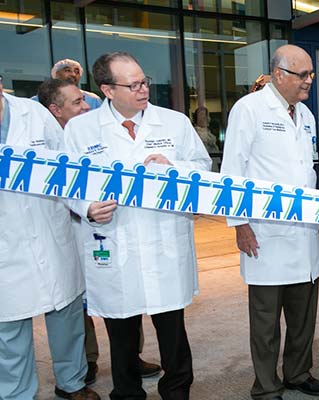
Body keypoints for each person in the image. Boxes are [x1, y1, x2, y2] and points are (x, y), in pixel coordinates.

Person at [63, 51, 211, 399]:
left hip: (164, 242)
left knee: (173, 333)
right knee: (122, 333)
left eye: (144, 81)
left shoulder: (173, 122)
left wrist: (172, 165)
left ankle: (177, 391)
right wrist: (86, 208)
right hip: (114, 243)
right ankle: (127, 393)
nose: (143, 90)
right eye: (133, 85)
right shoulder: (81, 129)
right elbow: (67, 183)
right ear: (107, 90)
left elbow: (203, 169)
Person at [221, 44, 319, 398]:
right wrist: (239, 223)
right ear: (280, 74)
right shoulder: (249, 110)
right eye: (303, 75)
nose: (310, 81)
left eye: (311, 74)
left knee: (303, 316)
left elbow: (308, 170)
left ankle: (299, 372)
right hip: (264, 235)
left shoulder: (307, 116)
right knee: (266, 321)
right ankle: (266, 387)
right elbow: (232, 170)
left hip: (303, 234)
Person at [36, 78, 163, 386]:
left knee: (121, 293)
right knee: (75, 301)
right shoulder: (46, 140)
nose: (86, 106)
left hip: (103, 228)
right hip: (64, 231)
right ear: (55, 110)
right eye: (77, 102)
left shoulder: (96, 131)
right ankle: (86, 360)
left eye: (85, 100)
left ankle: (131, 356)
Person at [1, 75, 100, 400]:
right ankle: (17, 395)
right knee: (9, 327)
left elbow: (68, 172)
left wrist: (85, 207)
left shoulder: (35, 116)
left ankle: (71, 383)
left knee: (66, 313)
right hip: (6, 241)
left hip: (50, 229)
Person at [33, 59, 102, 109]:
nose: (73, 74)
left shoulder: (93, 100)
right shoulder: (36, 101)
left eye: (77, 71)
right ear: (55, 74)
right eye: (67, 70)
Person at [193, 107, 221, 171]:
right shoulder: (195, 133)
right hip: (204, 164)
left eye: (206, 116)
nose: (204, 119)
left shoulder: (209, 132)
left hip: (214, 162)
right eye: (201, 116)